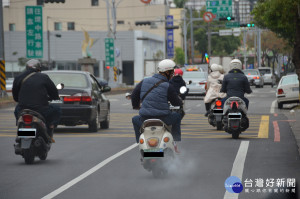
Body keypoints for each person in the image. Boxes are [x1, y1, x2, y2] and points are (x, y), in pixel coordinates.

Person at [131, 59, 182, 153]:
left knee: (135, 119)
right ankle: (175, 141)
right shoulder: (168, 86)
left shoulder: (144, 81)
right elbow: (176, 103)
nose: (172, 75)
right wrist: (179, 102)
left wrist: (136, 106)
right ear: (167, 72)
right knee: (177, 116)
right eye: (172, 72)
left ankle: (140, 142)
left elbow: (134, 95)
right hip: (163, 118)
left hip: (145, 119)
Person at [12, 59, 61, 143]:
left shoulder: (18, 78)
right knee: (56, 109)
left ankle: (20, 128)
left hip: (23, 109)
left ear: (27, 67)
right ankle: (50, 129)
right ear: (39, 68)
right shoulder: (43, 77)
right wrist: (55, 97)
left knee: (17, 110)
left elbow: (15, 96)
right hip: (41, 109)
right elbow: (53, 91)